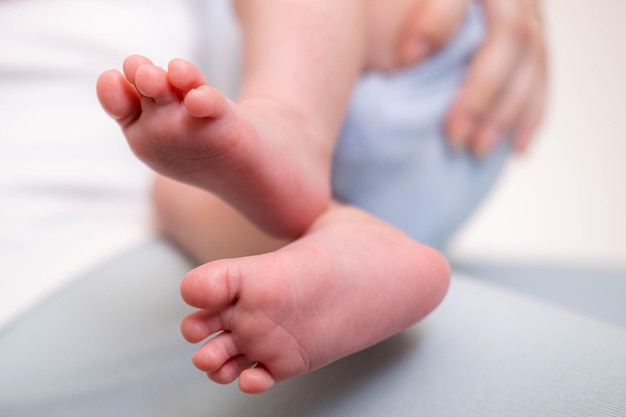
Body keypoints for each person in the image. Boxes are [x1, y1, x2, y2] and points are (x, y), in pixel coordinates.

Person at [96, 0, 546, 394]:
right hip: (440, 163)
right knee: (169, 197)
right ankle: (346, 234)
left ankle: (292, 119)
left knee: (175, 195)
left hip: (436, 69)